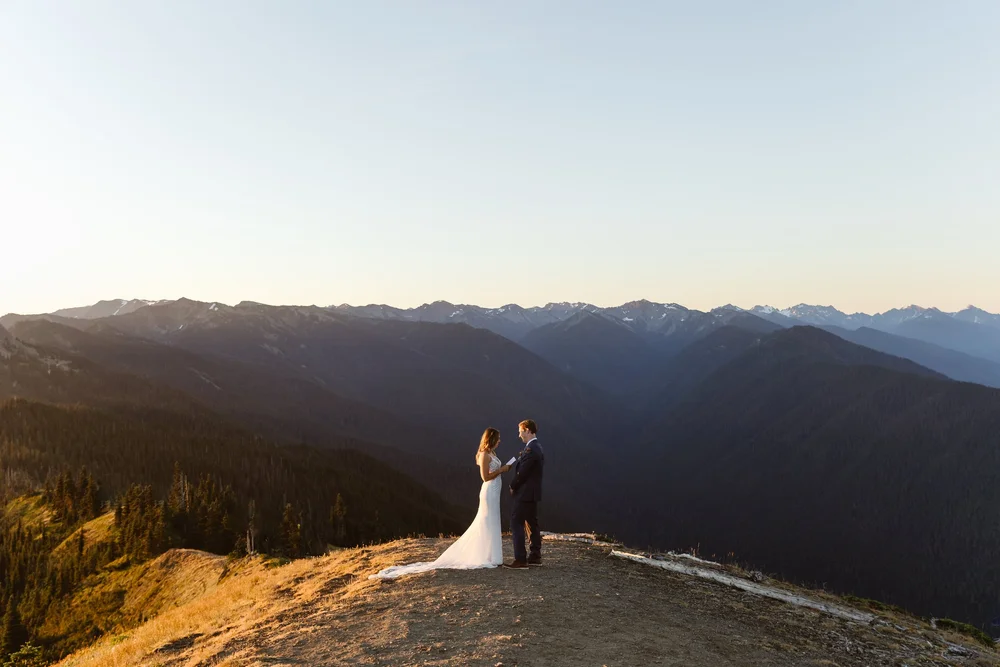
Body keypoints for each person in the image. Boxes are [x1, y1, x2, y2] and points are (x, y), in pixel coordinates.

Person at [369, 427, 511, 579]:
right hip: (489, 491)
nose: (500, 441)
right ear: (491, 439)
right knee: (486, 520)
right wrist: (502, 470)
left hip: (495, 491)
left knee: (493, 520)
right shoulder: (484, 454)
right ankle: (486, 554)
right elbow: (485, 477)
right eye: (498, 438)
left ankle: (492, 554)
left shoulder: (492, 453)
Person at [504, 419, 544, 569]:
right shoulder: (536, 447)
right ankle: (535, 556)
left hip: (525, 493)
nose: (519, 435)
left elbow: (523, 473)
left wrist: (513, 485)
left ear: (527, 430)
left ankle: (520, 559)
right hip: (533, 492)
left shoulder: (531, 449)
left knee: (516, 522)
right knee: (532, 523)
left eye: (520, 431)